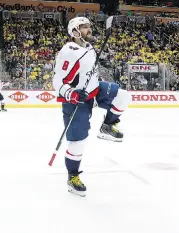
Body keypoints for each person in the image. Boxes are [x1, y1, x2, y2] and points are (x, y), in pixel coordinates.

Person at [52, 17, 131, 197]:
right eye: (84, 27)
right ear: (75, 31)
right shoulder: (69, 51)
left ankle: (107, 125)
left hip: (94, 90)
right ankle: (72, 177)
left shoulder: (88, 47)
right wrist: (71, 93)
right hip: (76, 100)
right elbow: (57, 80)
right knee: (77, 143)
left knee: (123, 96)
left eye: (89, 26)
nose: (89, 29)